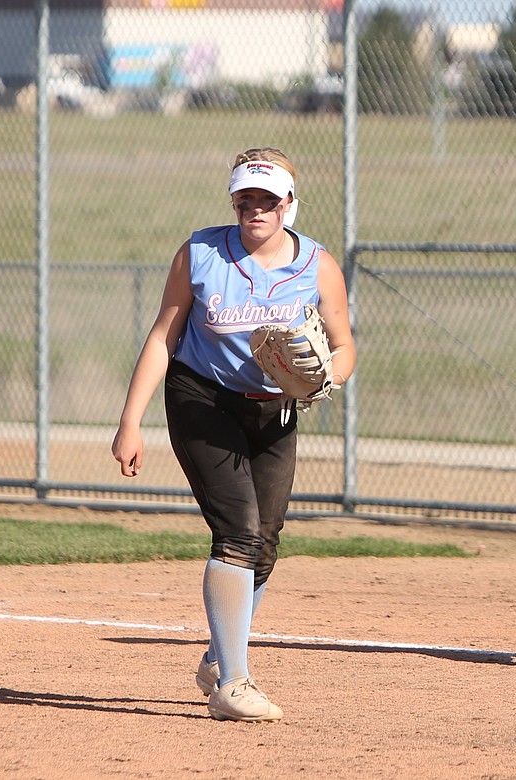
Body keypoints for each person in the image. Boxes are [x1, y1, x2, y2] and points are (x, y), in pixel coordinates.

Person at [111, 147, 356, 720]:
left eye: (267, 199)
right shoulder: (200, 253)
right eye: (245, 198)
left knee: (264, 546)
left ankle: (219, 656)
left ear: (289, 205)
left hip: (276, 410)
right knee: (239, 533)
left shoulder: (318, 267)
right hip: (202, 398)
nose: (255, 209)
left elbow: (344, 348)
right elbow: (162, 338)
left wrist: (322, 379)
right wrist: (131, 422)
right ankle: (234, 684)